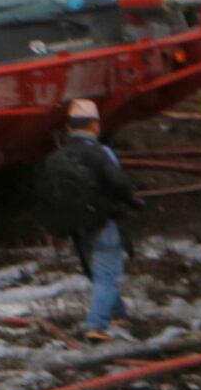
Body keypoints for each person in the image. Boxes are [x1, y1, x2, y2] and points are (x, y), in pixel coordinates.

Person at [36, 97, 135, 339]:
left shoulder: (56, 157)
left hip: (75, 225)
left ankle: (117, 314)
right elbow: (120, 183)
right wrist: (131, 202)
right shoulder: (102, 153)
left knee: (99, 273)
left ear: (69, 128)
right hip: (103, 221)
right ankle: (96, 327)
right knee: (107, 274)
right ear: (95, 126)